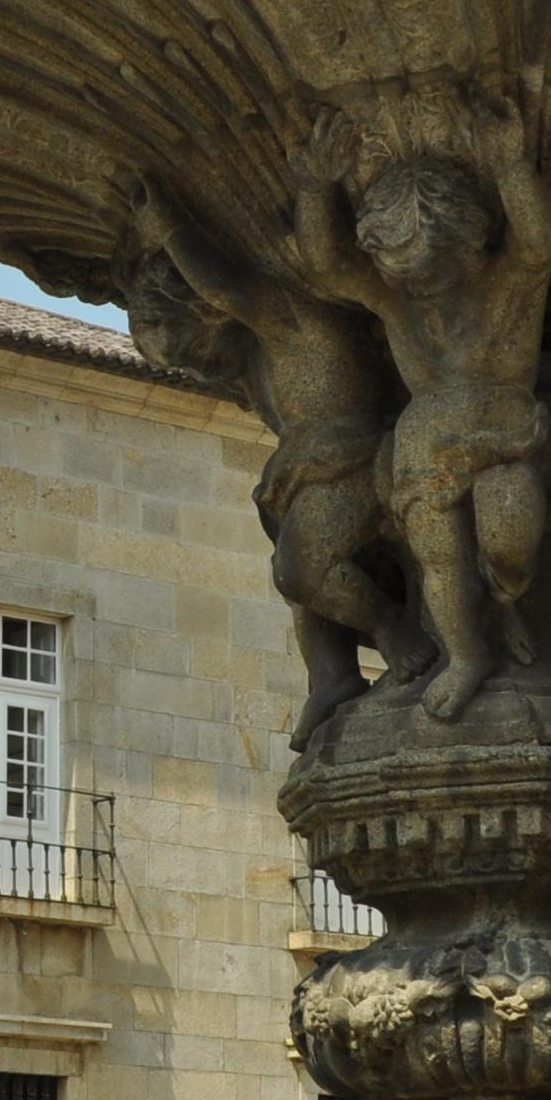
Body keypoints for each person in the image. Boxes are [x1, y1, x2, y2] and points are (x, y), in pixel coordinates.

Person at [288, 110, 551, 722]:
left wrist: (511, 165)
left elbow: (540, 242)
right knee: (438, 560)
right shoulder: (395, 297)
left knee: (509, 542)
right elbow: (330, 267)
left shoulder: (508, 285)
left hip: (504, 443)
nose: (411, 282)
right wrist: (314, 189)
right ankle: (466, 657)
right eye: (395, 267)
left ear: (467, 241)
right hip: (421, 456)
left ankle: (505, 595)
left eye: (425, 265)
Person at [122, 182, 420, 743]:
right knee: (294, 562)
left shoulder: (286, 316)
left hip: (360, 459)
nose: (200, 371)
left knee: (299, 571)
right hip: (316, 474)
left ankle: (396, 629)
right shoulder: (255, 365)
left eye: (191, 353)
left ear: (211, 316)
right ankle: (333, 678)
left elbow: (224, 284)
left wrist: (171, 232)